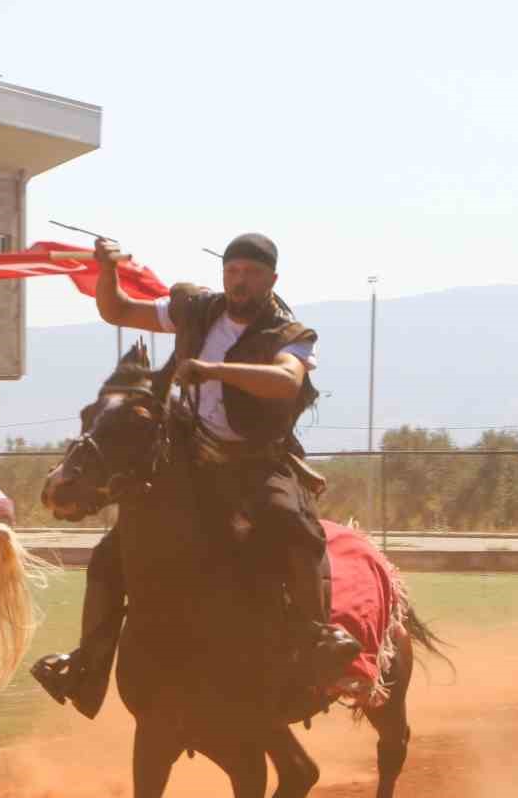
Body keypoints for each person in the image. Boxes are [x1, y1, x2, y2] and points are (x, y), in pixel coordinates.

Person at [33, 232, 361, 716]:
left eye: (251, 273)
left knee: (292, 526)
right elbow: (119, 311)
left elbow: (287, 380)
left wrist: (214, 370)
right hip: (184, 454)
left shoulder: (290, 333)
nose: (239, 281)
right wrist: (105, 271)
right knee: (111, 554)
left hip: (255, 462)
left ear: (272, 279)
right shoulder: (197, 309)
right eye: (232, 272)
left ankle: (316, 642)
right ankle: (86, 667)